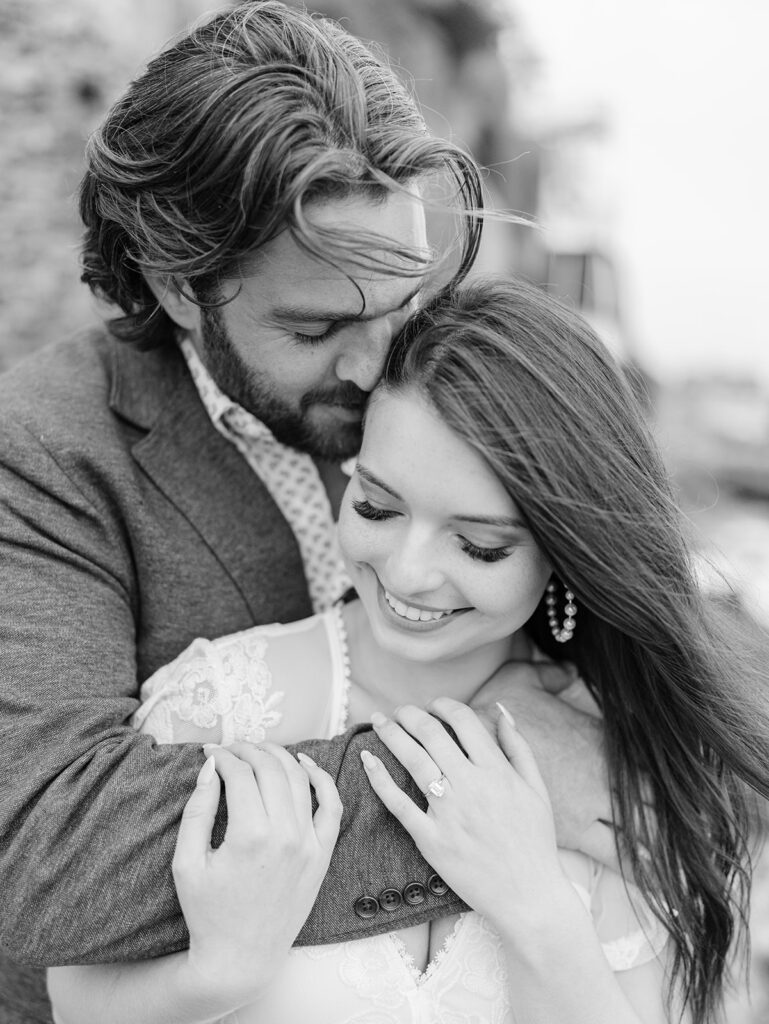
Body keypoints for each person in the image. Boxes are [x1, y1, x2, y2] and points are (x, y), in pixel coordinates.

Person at [0, 5, 612, 1023]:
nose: (378, 369)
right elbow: (53, 862)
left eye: (399, 307)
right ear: (178, 282)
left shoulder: (434, 399)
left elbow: (640, 598)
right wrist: (499, 767)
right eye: (319, 324)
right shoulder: (44, 455)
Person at [48, 279, 769, 1024]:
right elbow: (71, 1000)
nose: (408, 572)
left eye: (479, 545)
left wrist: (536, 910)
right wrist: (216, 977)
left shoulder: (621, 765)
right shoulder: (219, 704)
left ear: (566, 554)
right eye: (376, 507)